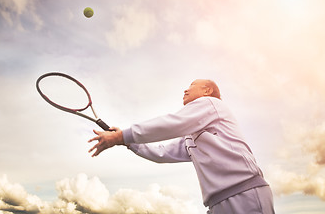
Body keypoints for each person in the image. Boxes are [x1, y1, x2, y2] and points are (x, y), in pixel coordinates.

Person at [88, 79, 275, 214]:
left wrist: (123, 135)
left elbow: (173, 123)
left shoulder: (211, 104)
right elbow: (162, 153)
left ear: (207, 91)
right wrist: (126, 141)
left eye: (191, 86)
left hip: (245, 194)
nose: (185, 91)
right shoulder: (192, 136)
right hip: (217, 204)